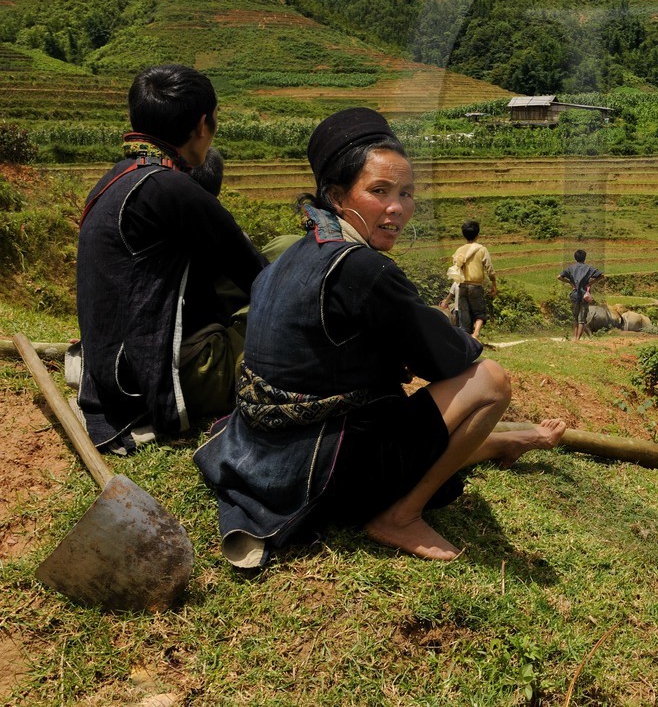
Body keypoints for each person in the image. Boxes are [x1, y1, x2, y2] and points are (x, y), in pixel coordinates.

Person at [194, 107, 566, 567]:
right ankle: (400, 515)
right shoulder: (362, 268)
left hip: (257, 458)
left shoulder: (296, 252)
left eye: (406, 193)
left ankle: (507, 442)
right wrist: (428, 329)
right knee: (490, 381)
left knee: (412, 417)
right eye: (379, 191)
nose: (398, 208)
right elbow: (449, 361)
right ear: (336, 195)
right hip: (313, 470)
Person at [75, 65, 266, 454]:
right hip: (155, 376)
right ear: (202, 124)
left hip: (112, 367)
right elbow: (258, 277)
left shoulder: (119, 177)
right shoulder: (173, 188)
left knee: (280, 252)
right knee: (297, 308)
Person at [444, 220, 496, 340]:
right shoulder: (481, 249)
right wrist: (493, 283)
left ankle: (467, 340)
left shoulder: (459, 251)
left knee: (464, 315)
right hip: (475, 286)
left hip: (461, 286)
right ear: (477, 235)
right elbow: (490, 269)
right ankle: (476, 333)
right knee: (480, 312)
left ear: (464, 235)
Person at [558, 249, 603, 340]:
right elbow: (602, 276)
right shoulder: (589, 268)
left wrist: (570, 282)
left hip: (574, 295)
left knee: (575, 318)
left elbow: (559, 277)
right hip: (584, 296)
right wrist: (591, 283)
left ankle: (574, 338)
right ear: (584, 258)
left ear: (575, 258)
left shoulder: (571, 268)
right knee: (581, 319)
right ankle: (577, 339)